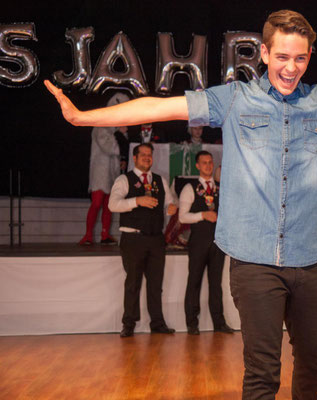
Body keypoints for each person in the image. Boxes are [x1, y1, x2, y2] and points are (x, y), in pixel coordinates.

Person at [45, 9, 317, 399]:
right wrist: (85, 118)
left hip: (309, 258)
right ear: (263, 53)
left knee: (315, 358)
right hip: (254, 258)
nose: (290, 68)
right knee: (263, 371)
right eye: (281, 57)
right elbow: (160, 107)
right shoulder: (234, 100)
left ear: (309, 57)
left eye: (299, 58)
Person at [107, 143, 178, 338]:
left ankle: (157, 323)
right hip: (133, 238)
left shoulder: (159, 180)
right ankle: (128, 324)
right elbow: (112, 205)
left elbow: (169, 203)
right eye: (143, 155)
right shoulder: (124, 179)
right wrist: (137, 201)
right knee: (133, 283)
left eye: (149, 155)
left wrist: (170, 208)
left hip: (156, 239)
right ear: (135, 158)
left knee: (156, 284)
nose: (147, 157)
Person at [178, 150, 234, 335]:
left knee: (216, 284)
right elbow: (182, 217)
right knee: (194, 282)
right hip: (198, 242)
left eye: (210, 162)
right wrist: (202, 215)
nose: (208, 165)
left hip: (218, 243)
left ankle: (219, 323)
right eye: (204, 162)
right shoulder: (190, 188)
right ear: (197, 166)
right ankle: (192, 323)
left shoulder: (220, 187)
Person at [79, 92, 129, 245]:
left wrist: (122, 158)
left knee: (109, 203)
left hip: (112, 170)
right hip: (100, 170)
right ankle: (88, 235)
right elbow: (109, 146)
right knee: (97, 202)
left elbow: (122, 147)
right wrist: (119, 135)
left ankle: (105, 234)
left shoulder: (116, 128)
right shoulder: (100, 125)